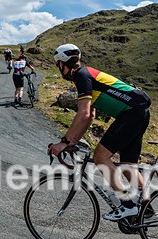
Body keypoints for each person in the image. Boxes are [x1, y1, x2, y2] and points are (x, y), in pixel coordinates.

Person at [47, 44, 152, 221]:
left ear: (63, 64)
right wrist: (72, 142)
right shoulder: (85, 75)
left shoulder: (82, 76)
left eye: (58, 65)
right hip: (139, 112)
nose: (59, 69)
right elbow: (90, 117)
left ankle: (128, 205)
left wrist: (64, 142)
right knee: (128, 166)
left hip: (132, 113)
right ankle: (148, 210)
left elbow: (84, 114)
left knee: (100, 157)